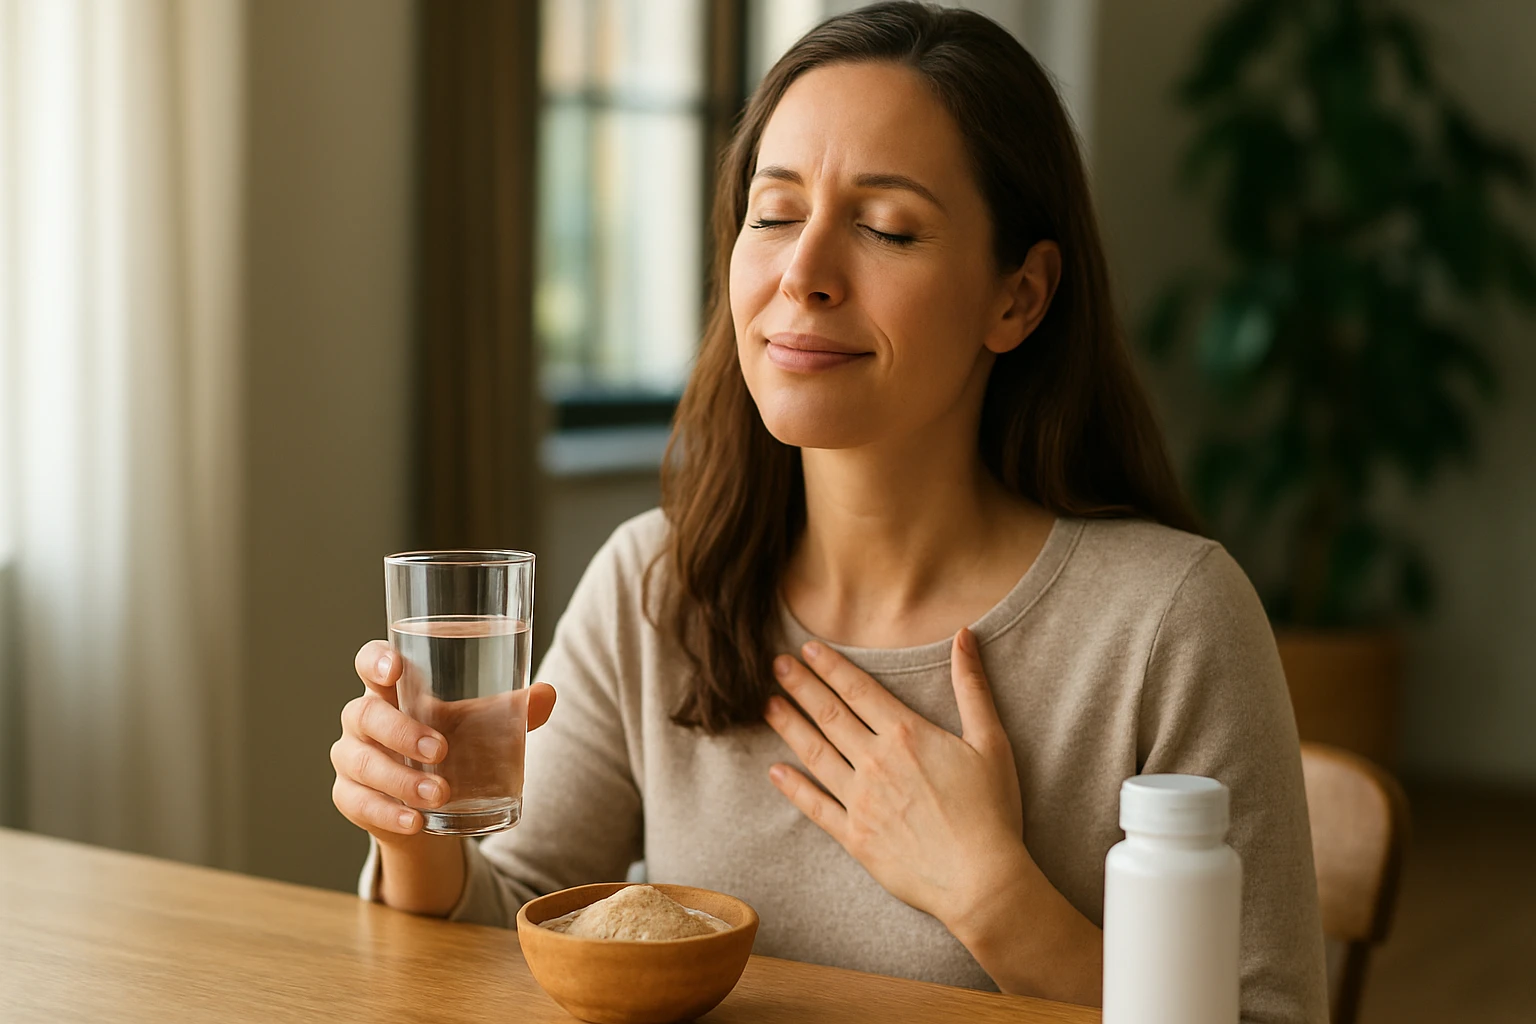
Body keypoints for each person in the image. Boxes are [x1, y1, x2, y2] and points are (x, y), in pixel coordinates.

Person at [329, 3, 1327, 1018]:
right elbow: (515, 920)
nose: (801, 275)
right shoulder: (658, 584)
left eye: (886, 227)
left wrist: (993, 896)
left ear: (1019, 296)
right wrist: (413, 832)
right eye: (773, 213)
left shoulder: (1169, 622)